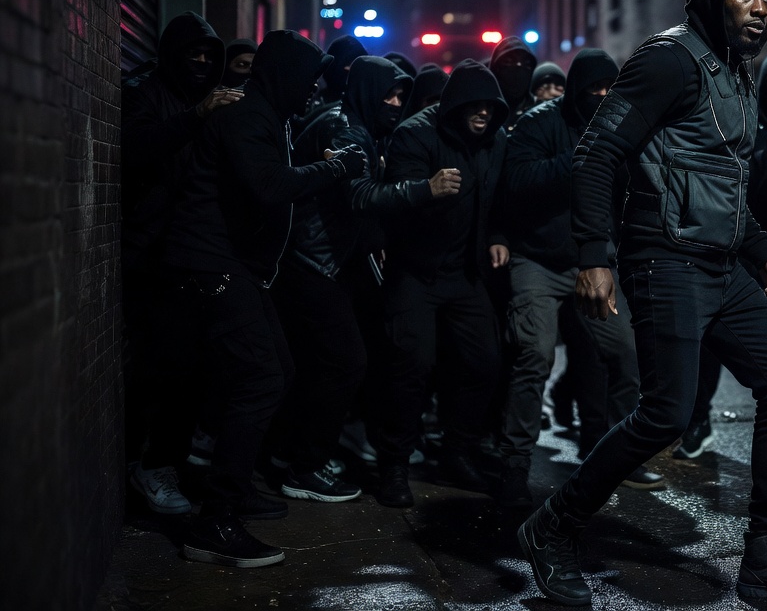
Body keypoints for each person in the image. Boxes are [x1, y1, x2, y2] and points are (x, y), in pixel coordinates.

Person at [517, 0, 767, 606]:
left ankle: (766, 557)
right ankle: (551, 527)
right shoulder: (668, 59)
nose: (760, 7)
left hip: (724, 267)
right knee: (666, 413)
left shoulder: (738, 74)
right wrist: (593, 257)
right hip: (664, 259)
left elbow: (725, 184)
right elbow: (596, 153)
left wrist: (766, 256)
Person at [163, 30, 367, 567]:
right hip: (212, 265)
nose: (314, 90)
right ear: (286, 77)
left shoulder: (266, 113)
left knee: (278, 369)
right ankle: (215, 520)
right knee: (262, 377)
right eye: (309, 80)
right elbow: (271, 186)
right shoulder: (245, 115)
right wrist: (336, 167)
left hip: (234, 267)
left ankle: (237, 486)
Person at [270, 56, 460, 503]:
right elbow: (358, 197)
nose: (395, 103)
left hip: (326, 261)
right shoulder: (346, 129)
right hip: (313, 262)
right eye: (389, 94)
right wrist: (424, 189)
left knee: (321, 363)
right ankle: (306, 466)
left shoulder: (355, 124)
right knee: (344, 362)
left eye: (400, 96)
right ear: (368, 90)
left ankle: (291, 452)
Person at [498, 49, 660, 511]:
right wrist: (578, 159)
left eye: (610, 88)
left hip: (594, 261)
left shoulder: (618, 123)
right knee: (534, 355)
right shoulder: (538, 123)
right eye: (594, 90)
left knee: (624, 353)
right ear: (576, 91)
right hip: (540, 260)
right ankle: (513, 465)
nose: (603, 96)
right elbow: (517, 183)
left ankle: (616, 459)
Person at [375, 58, 511, 508]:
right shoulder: (416, 134)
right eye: (476, 106)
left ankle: (457, 451)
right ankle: (394, 464)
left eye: (491, 108)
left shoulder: (495, 141)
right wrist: (427, 190)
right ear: (455, 105)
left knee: (485, 361)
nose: (484, 115)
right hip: (416, 270)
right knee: (411, 364)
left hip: (464, 273)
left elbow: (497, 200)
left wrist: (496, 236)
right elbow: (391, 200)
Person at [675, 49, 767, 459]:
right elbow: (730, 183)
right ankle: (697, 420)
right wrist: (764, 155)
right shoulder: (745, 120)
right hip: (741, 249)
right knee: (714, 340)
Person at [121, 12, 234, 516]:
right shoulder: (150, 93)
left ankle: (167, 460)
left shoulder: (206, 97)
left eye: (212, 55)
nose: (204, 63)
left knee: (195, 366)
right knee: (162, 367)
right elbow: (136, 150)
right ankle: (149, 466)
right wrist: (197, 117)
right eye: (195, 53)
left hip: (194, 251)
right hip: (153, 251)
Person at [488, 36, 538, 127]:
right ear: (496, 69)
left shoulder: (539, 113)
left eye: (526, 64)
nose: (518, 70)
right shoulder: (484, 112)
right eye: (508, 62)